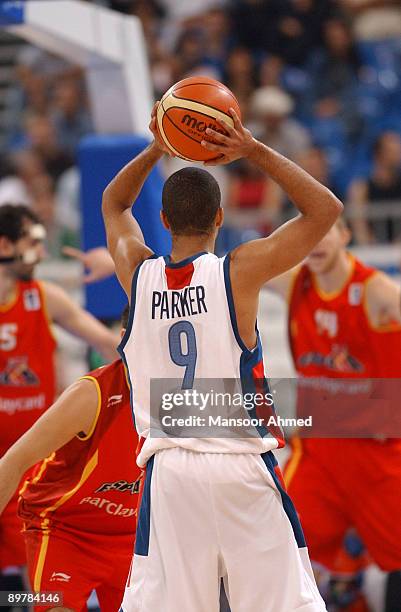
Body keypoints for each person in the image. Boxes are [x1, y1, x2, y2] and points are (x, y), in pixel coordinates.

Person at [101, 102, 342, 611]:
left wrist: (155, 148)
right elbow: (325, 210)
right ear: (220, 217)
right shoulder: (239, 273)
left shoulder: (137, 276)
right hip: (240, 466)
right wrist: (251, 149)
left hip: (170, 473)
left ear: (163, 219)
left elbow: (114, 205)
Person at [266, 218, 401, 610]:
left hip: (377, 458)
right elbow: (227, 269)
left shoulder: (374, 290)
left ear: (345, 235)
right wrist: (148, 265)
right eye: (309, 234)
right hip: (319, 458)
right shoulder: (295, 283)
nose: (317, 243)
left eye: (327, 232)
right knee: (272, 544)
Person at [0, 204, 118, 598]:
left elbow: (108, 342)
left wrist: (122, 271)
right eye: (33, 243)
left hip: (30, 462)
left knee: (29, 583)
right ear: (5, 245)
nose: (42, 251)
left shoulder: (44, 297)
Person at [0, 306, 142, 612]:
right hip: (66, 531)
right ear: (126, 340)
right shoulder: (92, 394)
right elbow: (13, 461)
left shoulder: (188, 397)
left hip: (135, 536)